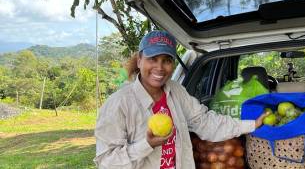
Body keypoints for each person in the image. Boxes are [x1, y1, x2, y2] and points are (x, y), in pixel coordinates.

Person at [94, 30, 268, 169]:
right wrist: (147, 144)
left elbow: (204, 121)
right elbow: (107, 162)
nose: (160, 68)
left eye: (167, 60)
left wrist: (251, 124)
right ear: (139, 60)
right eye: (152, 59)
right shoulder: (118, 104)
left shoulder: (176, 90)